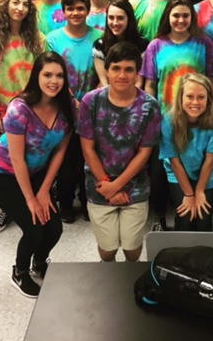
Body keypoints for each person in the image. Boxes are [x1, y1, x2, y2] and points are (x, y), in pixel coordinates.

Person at [0, 52, 73, 298]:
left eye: (59, 76)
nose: (53, 81)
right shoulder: (19, 108)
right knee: (34, 228)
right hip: (0, 173)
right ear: (37, 76)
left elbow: (59, 152)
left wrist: (44, 190)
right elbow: (16, 158)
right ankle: (19, 272)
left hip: (34, 173)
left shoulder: (66, 108)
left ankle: (39, 263)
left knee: (54, 228)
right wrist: (31, 199)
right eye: (47, 75)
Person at [78, 42, 161, 262]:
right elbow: (88, 148)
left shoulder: (149, 106)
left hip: (135, 186)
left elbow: (144, 153)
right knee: (107, 250)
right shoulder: (91, 101)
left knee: (132, 248)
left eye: (128, 69)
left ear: (137, 72)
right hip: (99, 185)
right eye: (116, 68)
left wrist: (117, 186)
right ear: (106, 70)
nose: (122, 75)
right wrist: (108, 185)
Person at [142, 0, 213, 232]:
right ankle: (159, 216)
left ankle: (192, 206)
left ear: (191, 17)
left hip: (197, 119)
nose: (181, 20)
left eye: (185, 15)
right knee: (159, 172)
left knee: (192, 166)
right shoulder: (156, 45)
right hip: (164, 119)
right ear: (168, 17)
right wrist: (152, 116)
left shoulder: (203, 43)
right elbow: (150, 85)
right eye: (176, 15)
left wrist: (212, 110)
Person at [0, 0, 45, 235]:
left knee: (33, 161)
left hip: (34, 111)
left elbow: (45, 76)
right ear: (6, 5)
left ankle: (35, 204)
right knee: (9, 163)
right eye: (16, 3)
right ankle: (10, 208)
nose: (20, 8)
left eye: (25, 4)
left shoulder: (38, 40)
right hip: (4, 112)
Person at [46, 0, 103, 223]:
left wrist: (88, 101)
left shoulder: (99, 36)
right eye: (71, 8)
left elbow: (104, 71)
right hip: (64, 108)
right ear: (64, 11)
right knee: (67, 160)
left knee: (90, 157)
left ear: (88, 10)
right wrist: (74, 101)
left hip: (94, 108)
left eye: (81, 8)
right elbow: (52, 74)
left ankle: (89, 201)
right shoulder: (54, 38)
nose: (76, 12)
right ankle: (66, 203)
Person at [160, 73, 213, 231]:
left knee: (203, 221)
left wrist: (199, 191)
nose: (195, 102)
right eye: (190, 96)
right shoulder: (168, 121)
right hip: (179, 172)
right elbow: (174, 162)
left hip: (208, 172)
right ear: (181, 98)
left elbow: (210, 160)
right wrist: (189, 194)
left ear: (208, 99)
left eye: (201, 97)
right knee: (185, 219)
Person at [92, 0, 148, 88]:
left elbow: (139, 82)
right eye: (111, 17)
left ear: (129, 19)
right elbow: (104, 82)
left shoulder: (142, 44)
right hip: (108, 94)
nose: (115, 23)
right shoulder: (99, 45)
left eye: (120, 18)